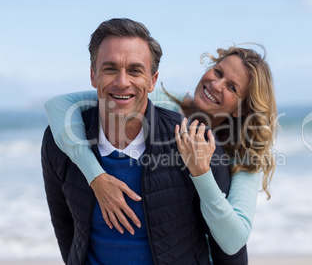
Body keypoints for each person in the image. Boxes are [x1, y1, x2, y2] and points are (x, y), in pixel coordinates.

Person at [41, 18, 248, 265]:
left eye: (135, 70)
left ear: (152, 80)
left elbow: (228, 249)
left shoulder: (198, 144)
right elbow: (65, 225)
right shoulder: (59, 141)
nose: (122, 81)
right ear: (93, 75)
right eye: (110, 68)